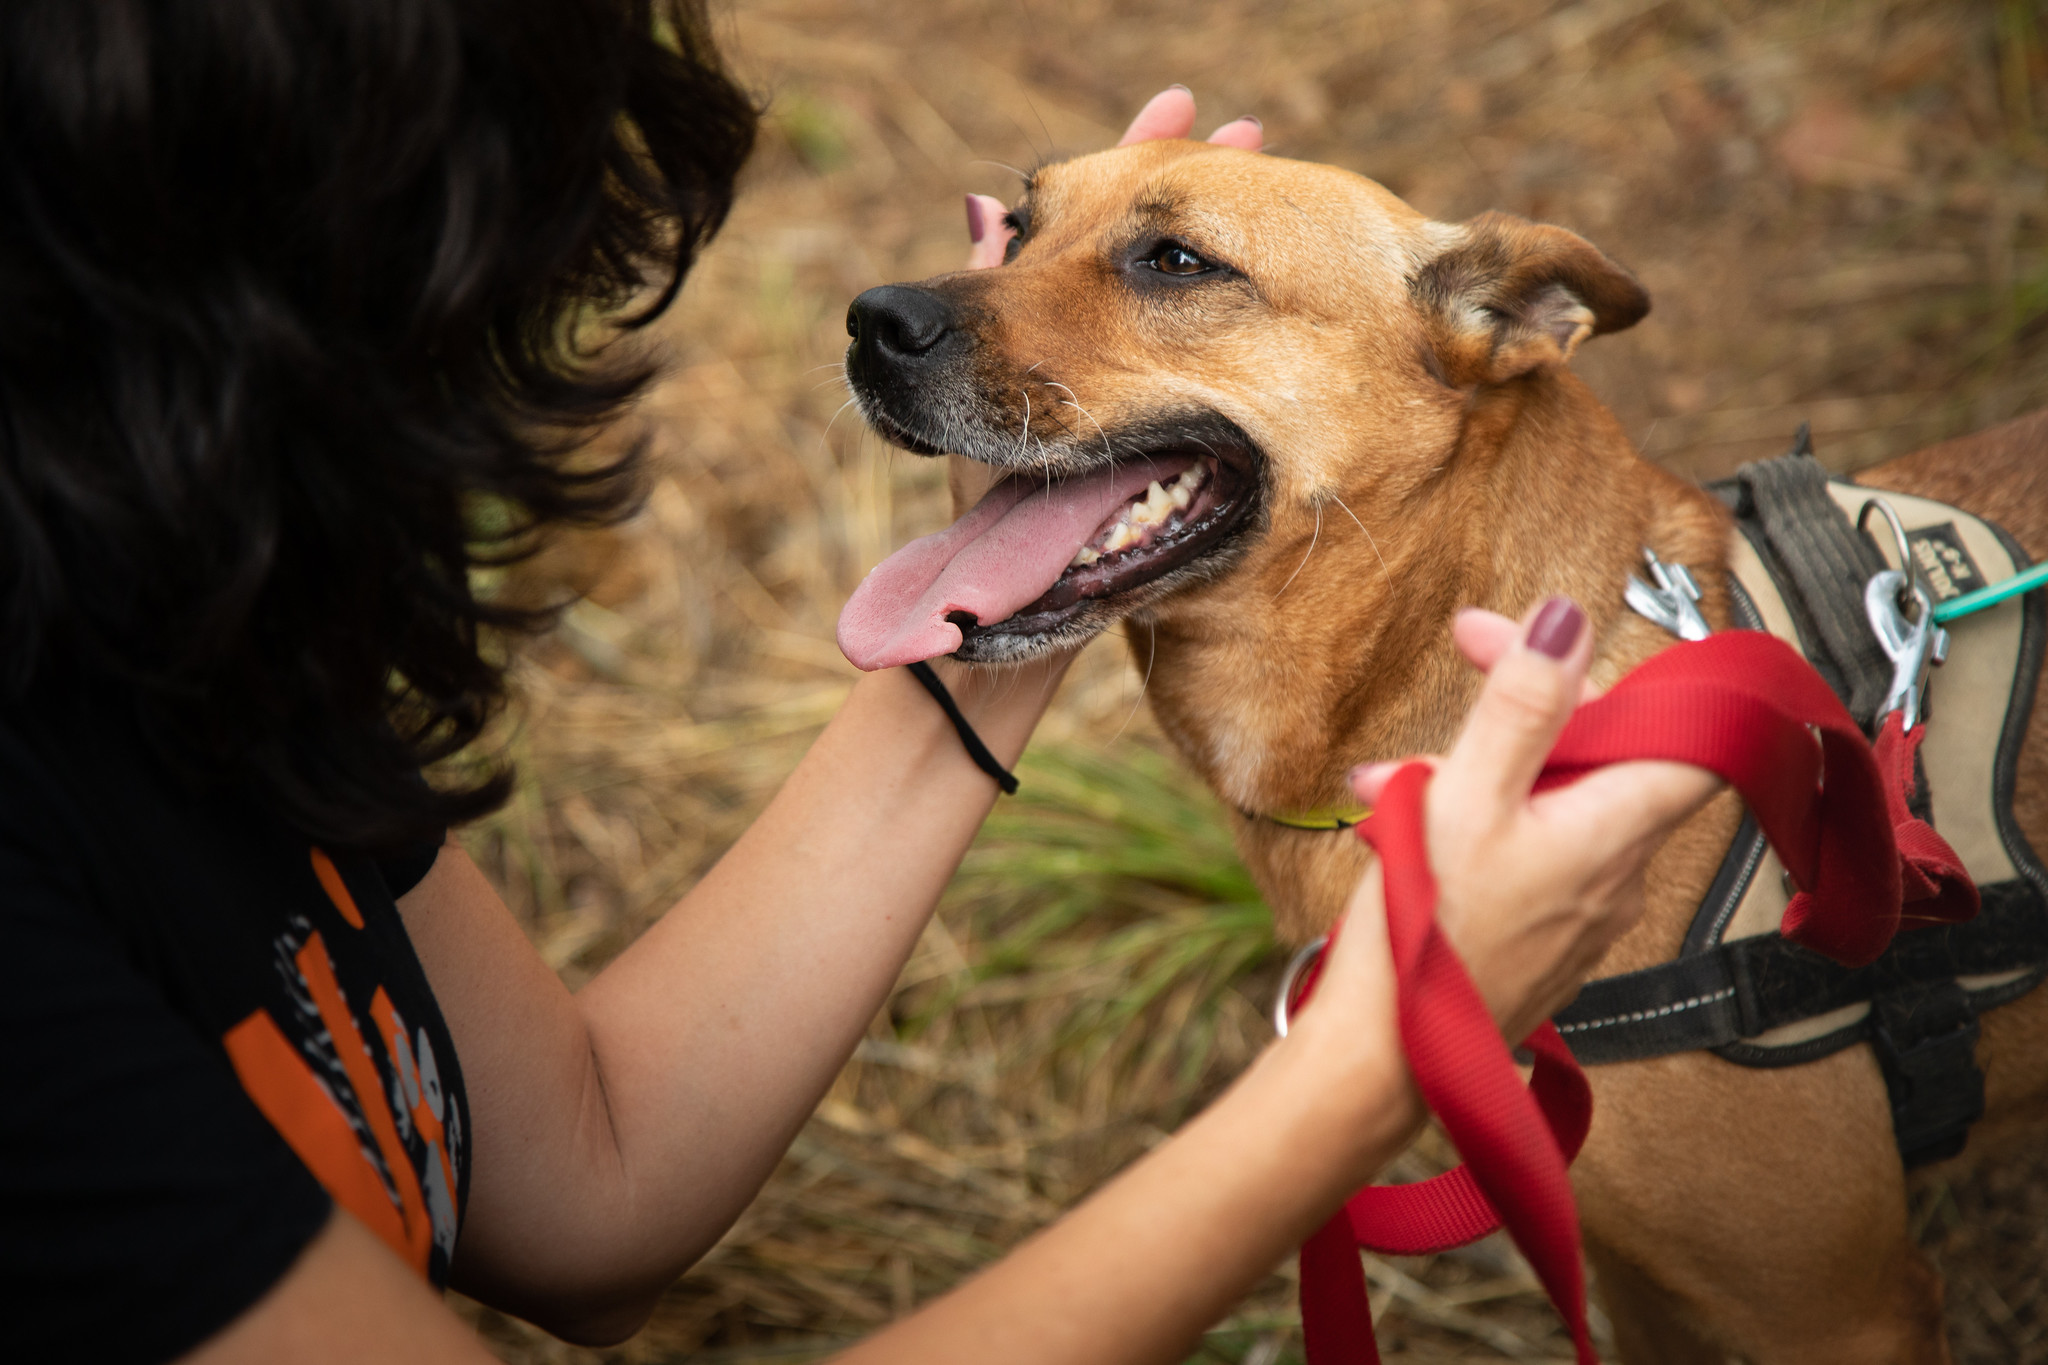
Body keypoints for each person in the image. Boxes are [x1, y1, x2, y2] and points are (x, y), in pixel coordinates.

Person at [0, 6, 1719, 1362]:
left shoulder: (172, 652)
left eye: (1161, 264)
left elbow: (591, 1189)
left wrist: (1027, 575)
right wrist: (1366, 1064)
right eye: (512, 256)